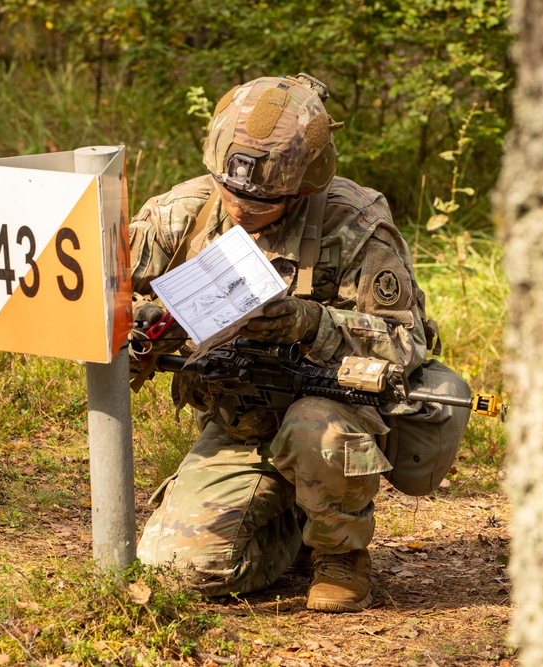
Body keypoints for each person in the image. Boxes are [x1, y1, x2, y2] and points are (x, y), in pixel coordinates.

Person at [127, 73, 433, 613]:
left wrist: (308, 322)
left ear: (307, 183)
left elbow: (406, 344)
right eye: (233, 191)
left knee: (313, 426)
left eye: (265, 200)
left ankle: (340, 553)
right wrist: (142, 329)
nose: (242, 208)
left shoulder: (354, 223)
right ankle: (290, 520)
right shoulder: (187, 212)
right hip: (242, 419)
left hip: (330, 414)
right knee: (179, 571)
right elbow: (95, 287)